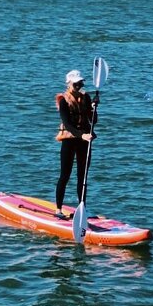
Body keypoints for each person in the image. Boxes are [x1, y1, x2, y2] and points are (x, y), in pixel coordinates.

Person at [54, 69, 97, 220]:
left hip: (84, 141)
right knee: (65, 175)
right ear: (69, 83)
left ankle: (82, 207)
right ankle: (58, 209)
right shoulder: (63, 100)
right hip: (69, 140)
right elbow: (67, 124)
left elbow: (93, 121)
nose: (79, 86)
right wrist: (82, 135)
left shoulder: (86, 98)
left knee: (83, 176)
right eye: (76, 83)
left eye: (80, 83)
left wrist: (94, 108)